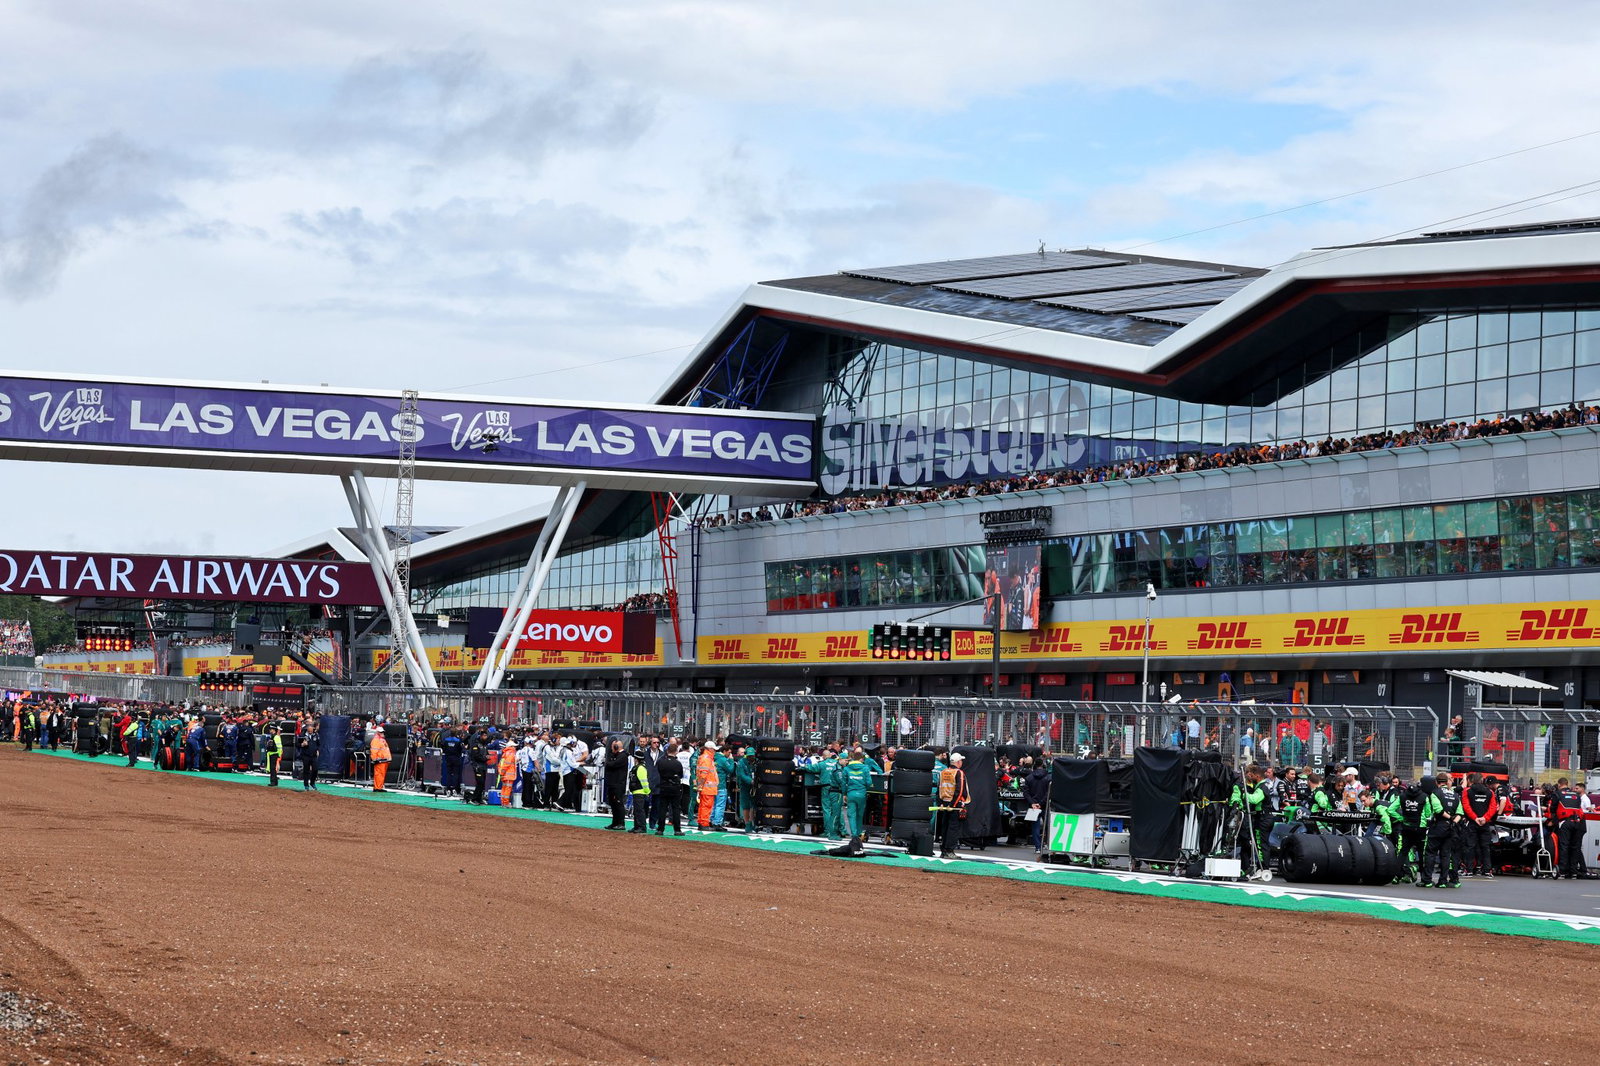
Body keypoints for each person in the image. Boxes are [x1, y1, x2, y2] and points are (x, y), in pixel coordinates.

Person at [1547, 777, 1593, 879]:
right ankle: (1573, 872)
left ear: (1559, 785)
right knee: (1575, 847)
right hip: (1578, 822)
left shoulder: (1557, 794)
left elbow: (1553, 809)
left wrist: (1553, 820)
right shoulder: (1576, 795)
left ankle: (1563, 871)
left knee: (1564, 846)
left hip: (1565, 822)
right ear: (1567, 784)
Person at [1459, 772, 1499, 877]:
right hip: (1484, 823)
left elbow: (1466, 806)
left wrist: (1475, 818)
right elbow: (1493, 807)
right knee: (1485, 847)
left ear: (1471, 781)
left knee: (1470, 846)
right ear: (1482, 780)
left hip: (1472, 822)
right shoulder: (1490, 792)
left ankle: (1469, 870)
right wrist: (1485, 818)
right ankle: (1487, 870)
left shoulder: (1467, 791)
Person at [798, 748, 843, 839]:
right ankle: (841, 830)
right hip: (837, 789)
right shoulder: (836, 764)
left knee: (826, 809)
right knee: (837, 810)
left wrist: (801, 767)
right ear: (830, 756)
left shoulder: (822, 764)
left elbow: (810, 768)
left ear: (823, 757)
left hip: (826, 788)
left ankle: (827, 831)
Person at [933, 751, 970, 858]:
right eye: (961, 761)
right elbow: (960, 790)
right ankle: (949, 851)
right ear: (958, 762)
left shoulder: (944, 771)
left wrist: (940, 803)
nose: (962, 762)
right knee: (953, 829)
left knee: (945, 828)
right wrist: (953, 805)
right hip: (955, 804)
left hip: (944, 804)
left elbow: (939, 788)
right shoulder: (959, 773)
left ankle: (944, 850)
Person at [654, 740, 684, 836]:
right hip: (674, 787)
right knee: (675, 808)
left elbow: (657, 771)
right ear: (676, 751)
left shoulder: (661, 762)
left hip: (663, 786)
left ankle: (660, 829)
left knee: (662, 808)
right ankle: (677, 829)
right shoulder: (677, 763)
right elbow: (681, 775)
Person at [694, 740, 721, 830]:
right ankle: (704, 823)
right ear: (710, 749)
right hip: (707, 787)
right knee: (706, 806)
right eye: (714, 750)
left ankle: (702, 822)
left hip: (706, 787)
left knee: (703, 806)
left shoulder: (705, 757)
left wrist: (699, 786)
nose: (715, 751)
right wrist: (700, 786)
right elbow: (703, 774)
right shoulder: (706, 759)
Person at [603, 740, 629, 829]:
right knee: (613, 804)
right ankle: (615, 823)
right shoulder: (616, 755)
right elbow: (609, 764)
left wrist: (609, 762)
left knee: (618, 804)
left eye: (613, 746)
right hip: (613, 783)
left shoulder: (623, 756)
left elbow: (612, 764)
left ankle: (621, 823)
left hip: (618, 784)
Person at [628, 749, 653, 833]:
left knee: (639, 811)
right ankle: (636, 826)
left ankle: (642, 827)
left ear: (636, 759)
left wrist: (647, 791)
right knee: (636, 811)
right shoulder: (638, 767)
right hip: (637, 792)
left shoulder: (640, 768)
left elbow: (644, 781)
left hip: (640, 792)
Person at [734, 745, 757, 833]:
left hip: (754, 786)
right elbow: (741, 775)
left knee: (753, 805)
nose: (751, 758)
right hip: (745, 786)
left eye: (753, 756)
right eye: (750, 756)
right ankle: (747, 823)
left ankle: (752, 822)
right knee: (745, 805)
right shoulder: (741, 762)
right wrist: (750, 781)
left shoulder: (757, 762)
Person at [466, 730, 489, 804]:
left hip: (484, 766)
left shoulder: (485, 745)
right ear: (481, 736)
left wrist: (489, 757)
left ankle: (479, 798)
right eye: (484, 735)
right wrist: (485, 758)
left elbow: (486, 753)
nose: (485, 737)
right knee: (480, 782)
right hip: (477, 766)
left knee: (482, 783)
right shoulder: (476, 744)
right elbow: (475, 755)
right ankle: (474, 799)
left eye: (486, 735)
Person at [440, 727, 465, 795]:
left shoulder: (446, 740)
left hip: (448, 758)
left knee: (448, 773)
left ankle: (448, 788)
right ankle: (454, 789)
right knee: (456, 774)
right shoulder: (458, 740)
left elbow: (443, 747)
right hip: (456, 758)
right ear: (456, 733)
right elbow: (461, 749)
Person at [297, 726, 320, 792]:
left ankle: (312, 782)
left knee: (315, 769)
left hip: (314, 755)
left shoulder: (316, 735)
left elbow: (318, 744)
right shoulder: (302, 735)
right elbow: (297, 744)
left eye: (311, 731)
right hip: (305, 755)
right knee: (306, 770)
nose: (310, 732)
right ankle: (306, 785)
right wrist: (302, 744)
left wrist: (318, 750)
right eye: (309, 731)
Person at [496, 738, 518, 806]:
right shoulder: (511, 753)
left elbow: (501, 764)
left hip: (505, 774)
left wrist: (501, 772)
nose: (515, 747)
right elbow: (506, 764)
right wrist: (502, 772)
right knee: (507, 789)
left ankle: (503, 802)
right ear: (511, 747)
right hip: (508, 775)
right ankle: (506, 803)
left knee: (504, 788)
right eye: (514, 746)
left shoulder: (505, 753)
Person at [370, 724, 392, 792]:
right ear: (377, 733)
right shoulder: (376, 740)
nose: (382, 733)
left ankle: (379, 786)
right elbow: (374, 750)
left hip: (384, 760)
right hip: (380, 760)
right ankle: (377, 787)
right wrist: (374, 759)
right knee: (379, 774)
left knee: (381, 774)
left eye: (382, 732)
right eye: (381, 732)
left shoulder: (381, 740)